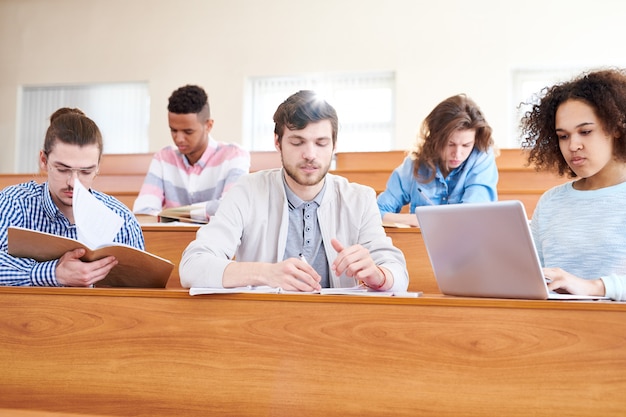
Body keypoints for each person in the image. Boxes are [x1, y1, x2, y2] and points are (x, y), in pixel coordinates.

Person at [180, 90, 409, 292]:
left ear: (334, 145)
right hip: (261, 326)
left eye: (321, 143)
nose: (310, 154)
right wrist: (266, 274)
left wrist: (379, 276)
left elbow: (398, 274)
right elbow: (192, 266)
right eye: (297, 142)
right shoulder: (246, 191)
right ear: (277, 142)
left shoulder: (360, 198)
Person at [0, 108, 145, 286]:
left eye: (86, 171)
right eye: (62, 169)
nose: (73, 182)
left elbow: (141, 289)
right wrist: (53, 273)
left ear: (98, 166)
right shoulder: (12, 203)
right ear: (43, 161)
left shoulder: (122, 219)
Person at [520, 68, 626, 301]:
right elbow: (533, 279)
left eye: (585, 131)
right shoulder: (550, 202)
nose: (573, 145)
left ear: (616, 129)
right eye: (563, 136)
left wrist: (595, 286)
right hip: (555, 329)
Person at [377, 94, 498, 227]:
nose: (457, 154)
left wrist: (426, 220)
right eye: (450, 144)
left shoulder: (481, 159)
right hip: (420, 245)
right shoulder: (413, 166)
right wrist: (412, 219)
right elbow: (376, 213)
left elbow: (473, 216)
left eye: (466, 145)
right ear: (435, 139)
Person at [133, 84, 250, 220]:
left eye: (188, 131)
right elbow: (143, 211)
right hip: (172, 240)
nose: (179, 139)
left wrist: (174, 214)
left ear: (208, 125)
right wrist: (205, 210)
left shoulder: (234, 155)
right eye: (173, 130)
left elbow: (231, 209)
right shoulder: (163, 158)